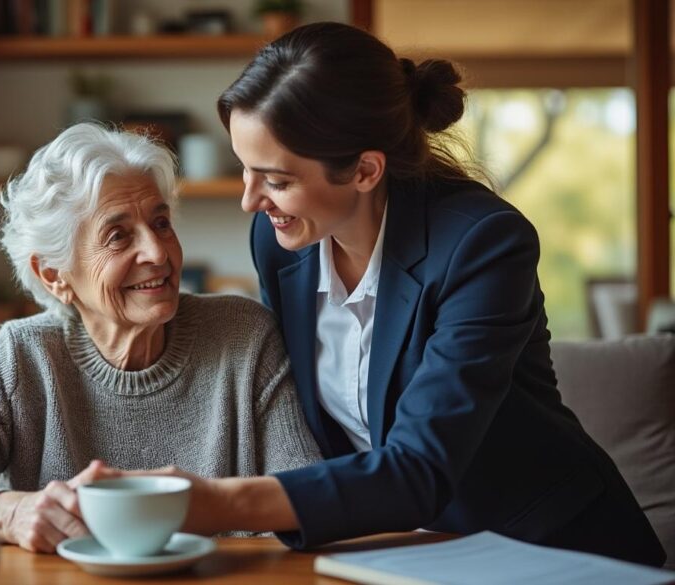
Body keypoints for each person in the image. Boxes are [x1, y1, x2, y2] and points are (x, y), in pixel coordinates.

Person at [107, 22, 666, 566]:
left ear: (365, 170)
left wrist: (213, 501)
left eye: (276, 180)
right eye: (246, 171)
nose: (251, 201)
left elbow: (421, 466)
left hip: (548, 547)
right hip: (410, 549)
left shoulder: (483, 244)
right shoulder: (280, 242)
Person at [0, 123, 322, 553]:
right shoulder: (25, 358)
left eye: (161, 223)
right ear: (53, 273)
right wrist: (10, 510)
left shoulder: (243, 335)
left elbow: (309, 497)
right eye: (119, 236)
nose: (157, 252)